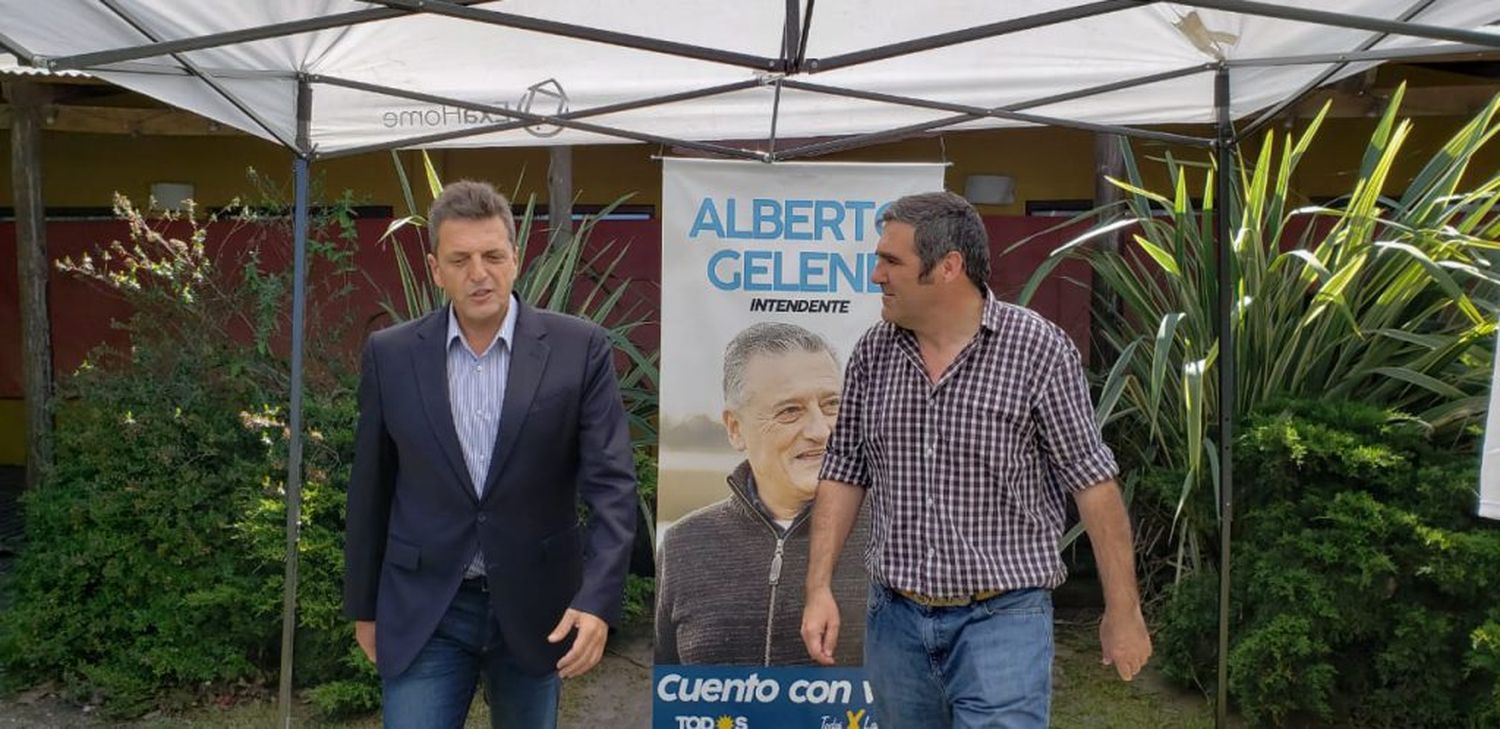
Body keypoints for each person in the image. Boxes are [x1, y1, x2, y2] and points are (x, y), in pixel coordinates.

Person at [800, 191, 1152, 728]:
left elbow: (1092, 481)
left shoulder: (1038, 350)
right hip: (894, 623)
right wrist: (819, 586)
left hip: (1002, 621)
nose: (876, 275)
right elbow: (845, 470)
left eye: (891, 261)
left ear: (948, 267)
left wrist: (1122, 610)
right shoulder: (873, 353)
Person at [342, 180, 638, 729]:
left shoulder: (580, 349)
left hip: (536, 606)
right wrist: (363, 606)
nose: (479, 273)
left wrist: (598, 599)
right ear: (435, 269)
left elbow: (612, 486)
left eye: (492, 256)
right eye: (461, 259)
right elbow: (371, 486)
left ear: (516, 259)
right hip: (427, 606)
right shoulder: (392, 354)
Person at [655, 322, 869, 666]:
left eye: (832, 405)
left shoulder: (901, 534)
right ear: (736, 429)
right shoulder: (684, 545)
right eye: (790, 411)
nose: (820, 430)